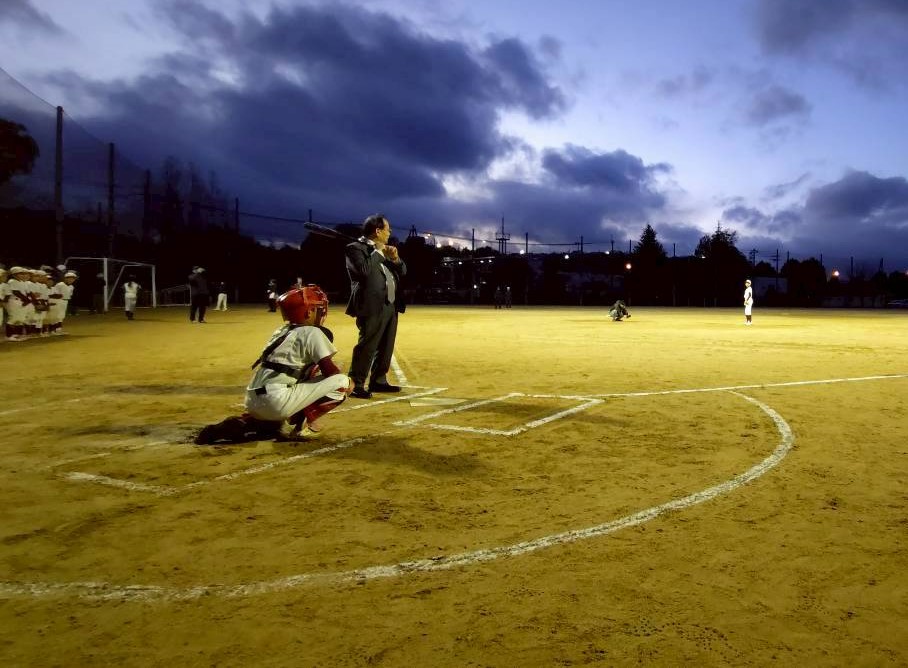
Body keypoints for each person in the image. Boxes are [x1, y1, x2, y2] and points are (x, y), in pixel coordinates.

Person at [194, 284, 353, 445]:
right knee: (344, 382)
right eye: (317, 308)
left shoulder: (281, 331)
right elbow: (330, 373)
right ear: (308, 311)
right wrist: (332, 369)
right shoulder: (311, 332)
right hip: (276, 400)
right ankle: (302, 426)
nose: (321, 311)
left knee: (272, 420)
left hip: (252, 400)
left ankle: (248, 422)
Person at [344, 213, 406, 399]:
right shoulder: (354, 248)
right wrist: (378, 252)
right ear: (377, 231)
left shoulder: (384, 250)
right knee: (368, 345)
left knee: (386, 345)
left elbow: (403, 271)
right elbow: (364, 271)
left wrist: (395, 259)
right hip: (371, 304)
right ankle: (356, 383)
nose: (390, 232)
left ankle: (379, 380)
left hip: (390, 304)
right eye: (387, 229)